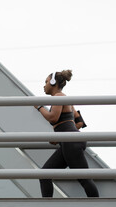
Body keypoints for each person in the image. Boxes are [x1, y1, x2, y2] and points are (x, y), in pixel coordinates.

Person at [35, 70, 99, 198]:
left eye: (46, 82)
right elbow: (80, 122)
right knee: (44, 175)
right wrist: (60, 137)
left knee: (84, 178)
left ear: (53, 82)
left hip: (70, 142)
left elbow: (53, 118)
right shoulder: (65, 98)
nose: (44, 85)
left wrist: (39, 107)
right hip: (69, 141)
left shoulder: (58, 97)